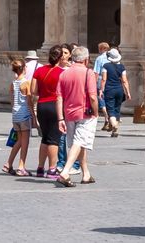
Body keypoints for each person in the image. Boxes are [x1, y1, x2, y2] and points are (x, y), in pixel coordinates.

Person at [55, 45, 99, 186]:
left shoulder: (64, 74)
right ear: (86, 59)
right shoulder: (88, 73)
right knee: (79, 142)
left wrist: (60, 118)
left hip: (69, 114)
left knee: (79, 143)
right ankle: (65, 172)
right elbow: (93, 96)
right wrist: (96, 111)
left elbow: (59, 98)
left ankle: (86, 174)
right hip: (85, 113)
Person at [32, 45, 64, 178]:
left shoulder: (39, 70)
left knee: (45, 138)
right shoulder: (62, 72)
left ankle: (40, 168)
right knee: (54, 139)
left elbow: (33, 91)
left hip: (42, 105)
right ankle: (52, 169)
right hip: (55, 105)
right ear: (61, 57)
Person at [3, 59, 33, 176]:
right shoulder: (26, 83)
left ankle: (8, 163)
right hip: (24, 114)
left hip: (15, 115)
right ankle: (21, 167)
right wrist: (34, 116)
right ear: (24, 68)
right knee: (25, 142)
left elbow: (12, 100)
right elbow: (29, 101)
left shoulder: (13, 83)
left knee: (19, 140)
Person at [99, 48, 130, 137]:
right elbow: (124, 80)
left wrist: (101, 90)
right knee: (117, 108)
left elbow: (104, 79)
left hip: (109, 90)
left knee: (110, 109)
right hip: (119, 90)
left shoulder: (106, 66)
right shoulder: (122, 67)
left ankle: (114, 125)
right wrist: (128, 92)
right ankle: (114, 129)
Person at [91, 42, 111, 122]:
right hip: (111, 80)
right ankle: (111, 114)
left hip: (101, 79)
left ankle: (106, 115)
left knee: (101, 97)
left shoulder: (99, 58)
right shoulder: (111, 57)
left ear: (101, 49)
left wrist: (94, 82)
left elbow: (96, 72)